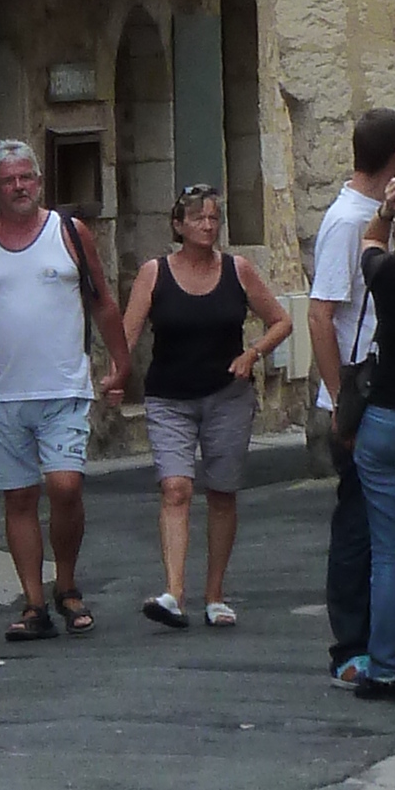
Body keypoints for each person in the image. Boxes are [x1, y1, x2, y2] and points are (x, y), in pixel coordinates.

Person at [0, 140, 128, 641]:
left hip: (63, 387)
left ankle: (68, 581)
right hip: (2, 394)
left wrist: (121, 364)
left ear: (39, 183)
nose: (18, 187)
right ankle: (35, 603)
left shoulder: (70, 234)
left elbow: (102, 302)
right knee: (18, 498)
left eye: (26, 178)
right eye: (8, 180)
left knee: (65, 487)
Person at [120, 185, 292, 629]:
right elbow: (129, 332)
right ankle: (174, 593)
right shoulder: (154, 273)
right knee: (175, 488)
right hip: (169, 398)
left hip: (227, 396)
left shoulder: (239, 270)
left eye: (214, 218)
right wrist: (115, 376)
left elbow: (282, 321)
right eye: (198, 218)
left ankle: (215, 594)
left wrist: (252, 354)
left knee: (221, 491)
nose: (208, 225)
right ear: (178, 225)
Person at [309, 108, 395, 676]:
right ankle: (351, 647)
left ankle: (368, 641)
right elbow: (321, 316)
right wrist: (336, 399)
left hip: (369, 396)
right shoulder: (350, 223)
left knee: (373, 528)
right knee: (357, 528)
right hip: (358, 399)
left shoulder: (366, 217)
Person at [344, 169, 395, 700]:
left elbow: (369, 242)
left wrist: (386, 208)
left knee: (390, 552)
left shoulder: (391, 276)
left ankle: (387, 664)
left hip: (387, 419)